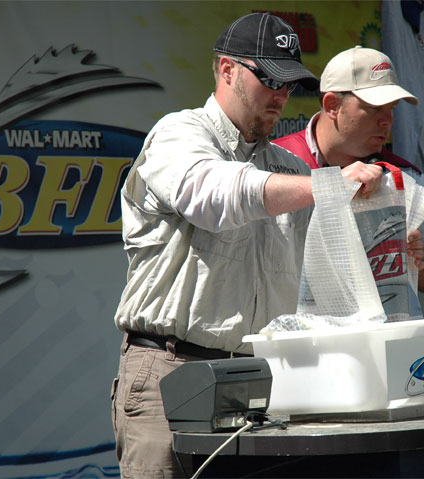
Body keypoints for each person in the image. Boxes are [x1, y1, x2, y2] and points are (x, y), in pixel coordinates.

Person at [111, 14, 385, 478]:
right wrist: (329, 185)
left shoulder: (292, 170)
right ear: (227, 70)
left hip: (263, 383)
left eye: (289, 84)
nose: (280, 95)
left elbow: (331, 284)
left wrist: (394, 246)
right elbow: (216, 195)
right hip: (170, 370)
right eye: (269, 79)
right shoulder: (179, 133)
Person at [274, 46, 424, 318]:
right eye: (374, 108)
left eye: (392, 108)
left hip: (386, 340)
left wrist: (410, 254)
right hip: (303, 339)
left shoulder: (403, 176)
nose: (388, 121)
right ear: (332, 106)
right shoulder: (277, 162)